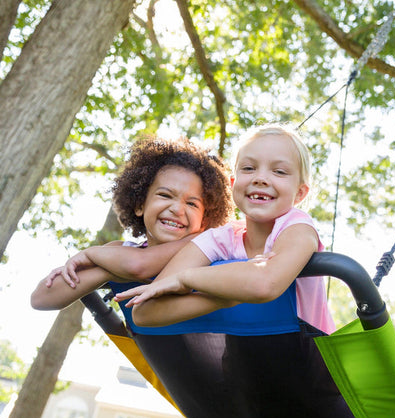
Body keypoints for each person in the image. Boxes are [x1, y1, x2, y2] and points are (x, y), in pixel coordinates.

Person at [115, 124, 335, 334]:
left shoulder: (299, 228)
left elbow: (265, 284)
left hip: (311, 362)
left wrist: (185, 279)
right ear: (232, 183)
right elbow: (143, 312)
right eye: (248, 168)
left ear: (300, 193)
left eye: (279, 171)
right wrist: (221, 298)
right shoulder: (220, 238)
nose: (260, 178)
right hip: (238, 368)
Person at [31, 136, 234, 311]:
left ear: (205, 219)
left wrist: (93, 255)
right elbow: (41, 298)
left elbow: (138, 266)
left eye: (192, 203)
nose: (177, 209)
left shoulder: (210, 247)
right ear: (139, 204)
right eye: (165, 195)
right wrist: (109, 270)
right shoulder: (119, 252)